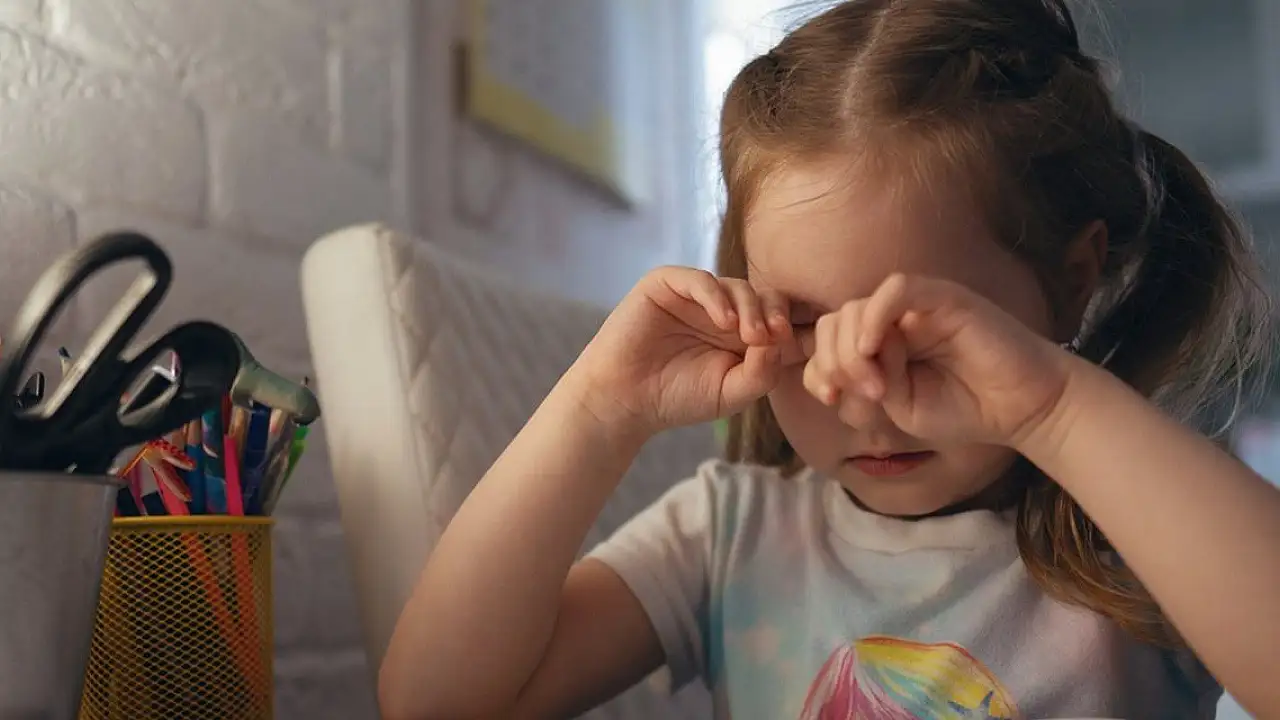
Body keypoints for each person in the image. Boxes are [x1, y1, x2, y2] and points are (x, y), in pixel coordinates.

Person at [378, 1, 1280, 718]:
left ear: (1071, 281)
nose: (861, 392)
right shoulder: (728, 535)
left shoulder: (1140, 524)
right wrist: (596, 409)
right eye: (805, 321)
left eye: (919, 328)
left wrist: (1055, 410)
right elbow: (435, 703)